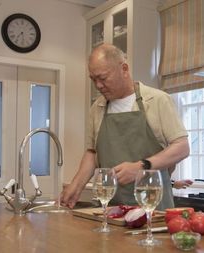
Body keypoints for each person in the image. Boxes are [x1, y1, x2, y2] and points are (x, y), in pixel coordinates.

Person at [60, 44, 189, 210]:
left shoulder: (157, 100)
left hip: (153, 210)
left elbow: (182, 147)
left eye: (103, 78)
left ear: (124, 69)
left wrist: (141, 167)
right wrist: (76, 186)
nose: (98, 85)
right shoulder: (98, 107)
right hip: (111, 209)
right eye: (93, 79)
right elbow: (92, 152)